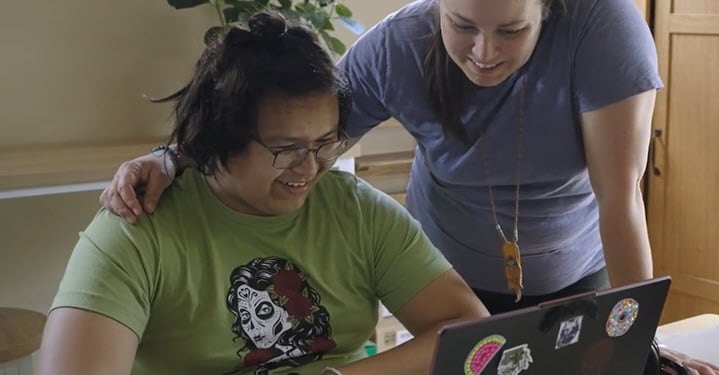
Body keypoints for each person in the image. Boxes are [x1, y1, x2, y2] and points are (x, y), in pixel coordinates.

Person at [102, 0, 660, 314]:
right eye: (461, 27)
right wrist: (170, 159)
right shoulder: (398, 45)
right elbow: (288, 132)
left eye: (511, 31)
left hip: (580, 269)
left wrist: (642, 337)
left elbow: (620, 197)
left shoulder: (605, 29)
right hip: (446, 277)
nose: (484, 55)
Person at [36, 12, 489, 375]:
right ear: (221, 137)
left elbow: (473, 333)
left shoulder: (355, 210)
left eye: (324, 144)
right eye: (285, 150)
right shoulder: (137, 228)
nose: (310, 169)